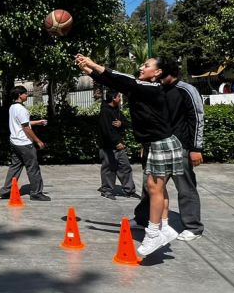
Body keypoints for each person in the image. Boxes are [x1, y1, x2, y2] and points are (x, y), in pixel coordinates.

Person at [76, 55, 182, 256]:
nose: (142, 67)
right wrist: (88, 71)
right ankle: (165, 227)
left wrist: (93, 64)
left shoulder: (151, 88)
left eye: (146, 65)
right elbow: (112, 81)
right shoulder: (141, 89)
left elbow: (122, 78)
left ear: (158, 72)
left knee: (154, 188)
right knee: (159, 189)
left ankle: (153, 234)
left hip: (162, 144)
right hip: (156, 143)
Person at [132, 58, 205, 241]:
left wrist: (196, 148)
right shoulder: (156, 89)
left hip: (181, 148)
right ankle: (143, 218)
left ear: (166, 72)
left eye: (159, 71)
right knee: (150, 186)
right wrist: (146, 144)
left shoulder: (186, 90)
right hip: (157, 147)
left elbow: (197, 118)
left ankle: (193, 227)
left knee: (185, 188)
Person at [0, 85, 52, 201]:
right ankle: (36, 193)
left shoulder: (13, 107)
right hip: (24, 144)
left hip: (15, 142)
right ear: (19, 95)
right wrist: (38, 141)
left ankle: (6, 191)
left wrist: (38, 122)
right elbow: (26, 128)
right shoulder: (21, 109)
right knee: (33, 168)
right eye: (25, 93)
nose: (27, 95)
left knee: (15, 167)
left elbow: (23, 123)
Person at [98, 89, 138, 200]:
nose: (120, 99)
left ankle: (129, 190)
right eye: (119, 97)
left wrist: (121, 123)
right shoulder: (105, 112)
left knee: (125, 167)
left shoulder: (117, 110)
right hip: (108, 147)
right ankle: (107, 190)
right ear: (113, 98)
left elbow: (126, 123)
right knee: (109, 169)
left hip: (119, 145)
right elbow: (106, 130)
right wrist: (116, 142)